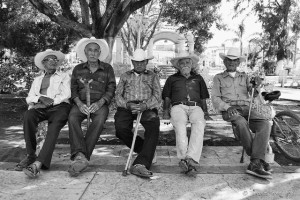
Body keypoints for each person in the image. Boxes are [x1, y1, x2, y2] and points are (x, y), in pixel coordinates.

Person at [211, 47, 272, 179]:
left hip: (247, 108)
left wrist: (256, 86)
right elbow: (215, 98)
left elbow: (253, 93)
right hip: (230, 109)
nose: (232, 63)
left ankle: (255, 161)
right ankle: (257, 160)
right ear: (225, 62)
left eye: (235, 61)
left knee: (265, 124)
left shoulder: (244, 77)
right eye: (229, 61)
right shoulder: (218, 78)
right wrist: (227, 107)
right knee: (241, 122)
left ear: (238, 63)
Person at [15, 49, 71, 178]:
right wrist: (39, 99)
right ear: (44, 63)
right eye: (50, 59)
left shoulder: (64, 76)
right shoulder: (37, 79)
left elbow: (66, 95)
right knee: (28, 116)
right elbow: (29, 98)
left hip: (60, 107)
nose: (54, 62)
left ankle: (39, 163)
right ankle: (31, 155)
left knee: (54, 126)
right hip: (40, 107)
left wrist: (49, 102)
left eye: (55, 59)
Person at [68, 37, 116, 176]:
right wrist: (78, 103)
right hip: (81, 103)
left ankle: (80, 156)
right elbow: (73, 89)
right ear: (85, 52)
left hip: (100, 104)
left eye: (96, 50)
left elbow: (111, 88)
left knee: (100, 119)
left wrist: (100, 102)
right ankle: (81, 156)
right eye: (90, 50)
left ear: (100, 52)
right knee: (72, 118)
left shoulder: (107, 68)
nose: (93, 53)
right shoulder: (78, 69)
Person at [162, 51, 210, 177]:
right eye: (181, 63)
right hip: (178, 106)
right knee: (180, 125)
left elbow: (203, 97)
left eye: (187, 62)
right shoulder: (172, 79)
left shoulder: (198, 78)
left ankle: (189, 159)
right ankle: (185, 159)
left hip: (196, 107)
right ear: (178, 66)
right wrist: (166, 111)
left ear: (192, 64)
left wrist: (205, 112)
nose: (185, 65)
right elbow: (166, 97)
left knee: (199, 124)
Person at [114, 49, 161, 178]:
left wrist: (145, 105)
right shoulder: (125, 75)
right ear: (133, 62)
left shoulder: (152, 76)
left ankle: (141, 164)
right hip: (128, 106)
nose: (139, 64)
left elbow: (157, 96)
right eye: (136, 62)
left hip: (146, 106)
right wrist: (127, 105)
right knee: (120, 128)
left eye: (142, 62)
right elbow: (118, 94)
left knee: (153, 124)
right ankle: (145, 150)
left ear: (146, 62)